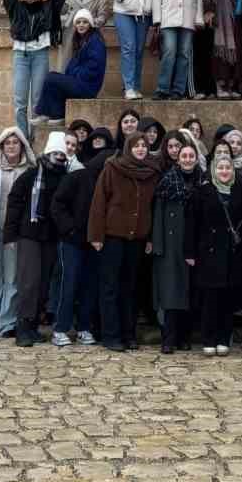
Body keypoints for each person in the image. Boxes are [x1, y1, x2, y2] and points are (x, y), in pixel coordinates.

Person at [88, 130, 162, 351]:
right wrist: (96, 235)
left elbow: (154, 208)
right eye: (136, 145)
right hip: (113, 236)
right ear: (129, 148)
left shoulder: (152, 172)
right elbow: (99, 201)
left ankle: (128, 334)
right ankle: (110, 335)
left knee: (130, 287)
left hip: (137, 238)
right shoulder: (113, 168)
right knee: (110, 286)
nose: (140, 149)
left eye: (144, 146)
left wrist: (150, 238)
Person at [4, 129, 70, 346]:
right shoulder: (31, 176)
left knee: (43, 284)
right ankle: (22, 328)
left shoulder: (65, 178)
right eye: (55, 154)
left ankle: (33, 327)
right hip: (29, 234)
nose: (58, 158)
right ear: (48, 153)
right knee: (29, 283)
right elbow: (15, 203)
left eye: (62, 155)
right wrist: (10, 235)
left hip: (51, 237)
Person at [185, 148, 242, 356]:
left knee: (227, 299)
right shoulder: (203, 191)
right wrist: (190, 252)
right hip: (209, 252)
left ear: (233, 170)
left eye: (227, 168)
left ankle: (224, 338)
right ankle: (209, 339)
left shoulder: (240, 190)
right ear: (214, 170)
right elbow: (192, 223)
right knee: (210, 299)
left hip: (232, 252)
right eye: (220, 167)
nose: (224, 171)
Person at [50, 127, 111, 346]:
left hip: (94, 242)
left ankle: (84, 327)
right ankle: (60, 328)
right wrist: (70, 229)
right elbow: (58, 204)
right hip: (72, 241)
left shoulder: (108, 183)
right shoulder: (77, 177)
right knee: (68, 284)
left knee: (89, 285)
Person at [0, 127, 34, 338]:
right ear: (1, 146)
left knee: (12, 278)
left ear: (22, 146)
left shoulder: (30, 170)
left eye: (15, 142)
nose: (11, 146)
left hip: (17, 233)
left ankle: (8, 322)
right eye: (7, 143)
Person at [151, 141, 200, 352]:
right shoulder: (167, 182)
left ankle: (184, 336)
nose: (187, 160)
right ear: (178, 160)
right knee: (171, 292)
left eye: (191, 156)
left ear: (196, 159)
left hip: (194, 244)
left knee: (189, 291)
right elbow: (158, 215)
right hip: (171, 244)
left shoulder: (203, 181)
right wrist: (158, 244)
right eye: (184, 156)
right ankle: (169, 338)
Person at [3, 0, 66, 133]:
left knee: (37, 100)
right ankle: (23, 138)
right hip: (21, 55)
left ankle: (35, 138)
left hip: (40, 54)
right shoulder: (17, 7)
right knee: (20, 102)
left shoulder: (47, 7)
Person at [151, 0, 204, 99]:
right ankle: (162, 89)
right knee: (169, 52)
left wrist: (199, 18)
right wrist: (157, 18)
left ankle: (178, 90)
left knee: (184, 54)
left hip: (188, 17)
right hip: (168, 16)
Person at [34, 9, 108, 123]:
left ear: (90, 24)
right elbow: (71, 66)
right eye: (78, 22)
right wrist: (71, 75)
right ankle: (54, 114)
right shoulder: (82, 41)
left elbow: (93, 68)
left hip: (88, 87)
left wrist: (73, 74)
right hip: (81, 82)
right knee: (53, 78)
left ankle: (50, 114)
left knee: (51, 78)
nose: (81, 25)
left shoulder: (95, 41)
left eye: (85, 22)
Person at [58, 0, 111, 65]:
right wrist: (66, 22)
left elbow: (103, 15)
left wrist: (88, 23)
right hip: (70, 34)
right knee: (67, 64)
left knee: (86, 65)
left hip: (90, 34)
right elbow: (64, 13)